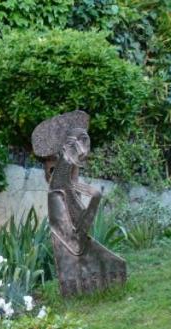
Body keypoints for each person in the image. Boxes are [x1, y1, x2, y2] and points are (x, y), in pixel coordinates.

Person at [31, 110, 127, 295]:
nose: (84, 152)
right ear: (68, 149)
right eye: (79, 145)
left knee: (117, 265)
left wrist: (92, 198)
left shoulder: (70, 185)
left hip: (79, 254)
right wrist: (94, 202)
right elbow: (75, 242)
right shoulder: (57, 191)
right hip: (72, 256)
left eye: (86, 142)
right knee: (114, 264)